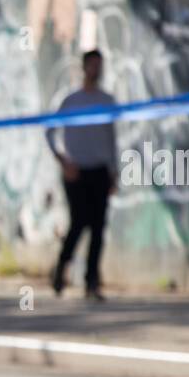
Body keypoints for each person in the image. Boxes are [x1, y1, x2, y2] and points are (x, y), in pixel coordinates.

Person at [46, 49, 118, 301]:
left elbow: (111, 138)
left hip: (99, 171)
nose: (96, 70)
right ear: (84, 67)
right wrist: (63, 160)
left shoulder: (107, 100)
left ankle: (92, 283)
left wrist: (114, 171)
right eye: (92, 65)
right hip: (76, 172)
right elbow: (49, 131)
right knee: (79, 223)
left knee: (97, 228)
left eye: (100, 65)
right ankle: (60, 269)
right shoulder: (69, 100)